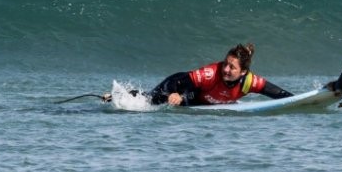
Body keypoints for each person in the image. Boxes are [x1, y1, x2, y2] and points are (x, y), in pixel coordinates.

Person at [106, 42, 293, 106]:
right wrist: (175, 94)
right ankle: (117, 96)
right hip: (180, 88)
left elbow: (277, 93)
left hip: (197, 100)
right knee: (149, 100)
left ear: (243, 71)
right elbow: (179, 81)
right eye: (225, 64)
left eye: (232, 67)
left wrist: (302, 99)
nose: (226, 70)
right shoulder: (210, 74)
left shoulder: (249, 82)